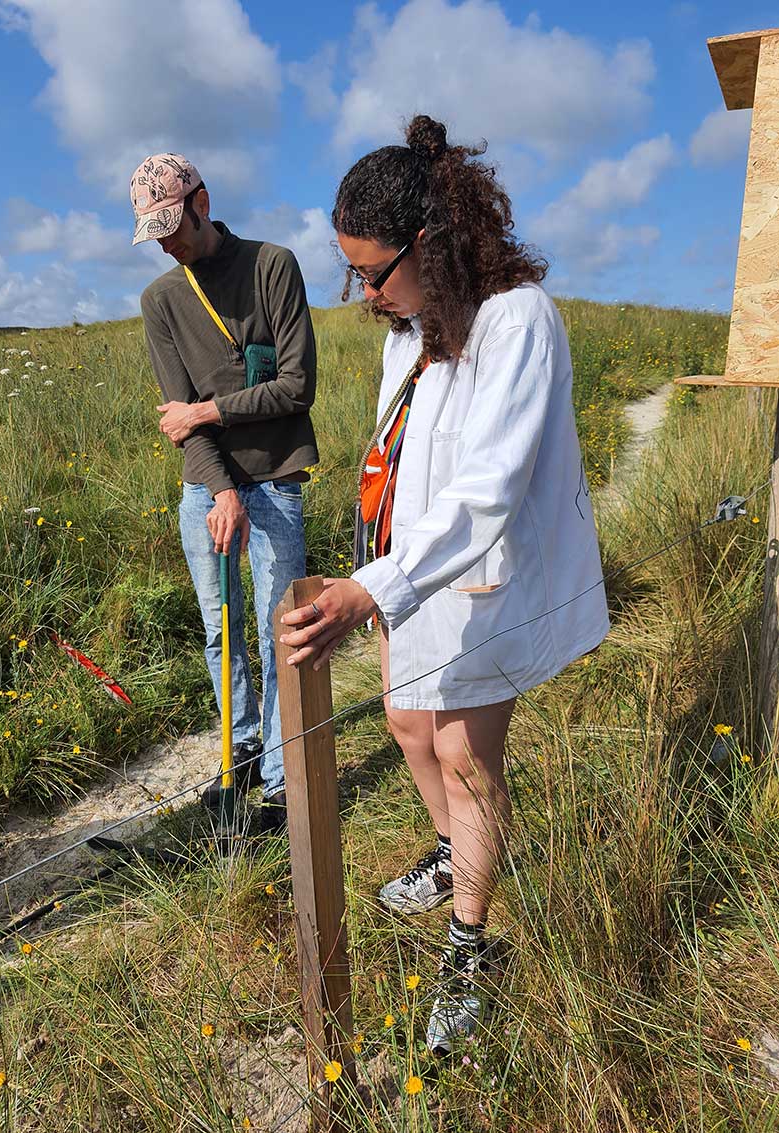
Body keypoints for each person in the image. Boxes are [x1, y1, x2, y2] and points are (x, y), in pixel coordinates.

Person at [280, 117, 610, 1052]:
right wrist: (373, 574)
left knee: (465, 753)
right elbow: (401, 462)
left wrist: (375, 589)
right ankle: (452, 849)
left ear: (428, 242)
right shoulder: (412, 333)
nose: (365, 293)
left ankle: (472, 944)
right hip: (407, 574)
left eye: (372, 271)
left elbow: (488, 489)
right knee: (405, 725)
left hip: (477, 582)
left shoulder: (517, 320)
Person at [130, 153, 319, 833]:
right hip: (207, 490)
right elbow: (174, 411)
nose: (165, 243)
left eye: (171, 225)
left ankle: (280, 778)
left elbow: (296, 388)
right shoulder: (160, 302)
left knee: (281, 632)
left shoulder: (273, 266)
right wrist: (220, 488)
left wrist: (208, 414)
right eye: (152, 232)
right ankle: (239, 748)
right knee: (221, 630)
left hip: (275, 478)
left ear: (201, 202)